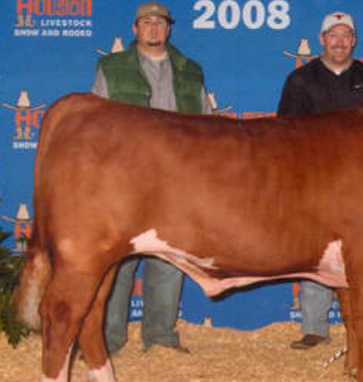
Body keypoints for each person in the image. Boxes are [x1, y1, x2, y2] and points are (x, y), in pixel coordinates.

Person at [92, 1, 212, 354]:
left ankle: (160, 335)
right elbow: (98, 122)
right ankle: (111, 337)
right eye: (147, 22)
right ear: (135, 29)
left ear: (169, 29)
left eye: (160, 23)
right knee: (118, 260)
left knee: (169, 259)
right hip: (126, 179)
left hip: (177, 179)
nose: (154, 29)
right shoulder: (111, 68)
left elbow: (206, 123)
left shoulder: (190, 70)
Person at [277, 11, 363, 350]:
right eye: (334, 35)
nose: (340, 41)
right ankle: (315, 327)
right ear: (322, 39)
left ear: (354, 40)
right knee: (315, 249)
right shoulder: (300, 80)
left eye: (346, 35)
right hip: (315, 180)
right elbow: (284, 133)